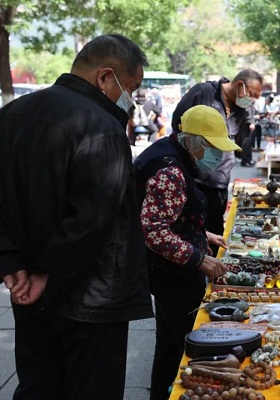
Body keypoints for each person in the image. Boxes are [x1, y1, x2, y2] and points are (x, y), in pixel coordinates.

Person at [0, 34, 154, 400]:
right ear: (105, 78)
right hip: (91, 299)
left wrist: (13, 264)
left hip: (29, 293)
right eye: (130, 88)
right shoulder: (102, 128)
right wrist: (43, 272)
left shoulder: (11, 115)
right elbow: (92, 220)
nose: (130, 100)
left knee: (39, 385)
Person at [134, 105, 234, 400]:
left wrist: (202, 233)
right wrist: (200, 259)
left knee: (168, 345)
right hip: (172, 275)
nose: (219, 156)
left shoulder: (172, 153)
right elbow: (153, 231)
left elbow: (169, 214)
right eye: (214, 148)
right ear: (196, 142)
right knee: (181, 347)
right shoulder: (171, 171)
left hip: (168, 272)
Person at [170, 69, 263, 254]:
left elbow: (238, 144)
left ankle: (211, 273)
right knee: (190, 231)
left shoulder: (242, 109)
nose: (252, 100)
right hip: (194, 179)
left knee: (214, 234)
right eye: (252, 95)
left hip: (219, 182)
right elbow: (177, 125)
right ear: (240, 85)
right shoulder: (204, 92)